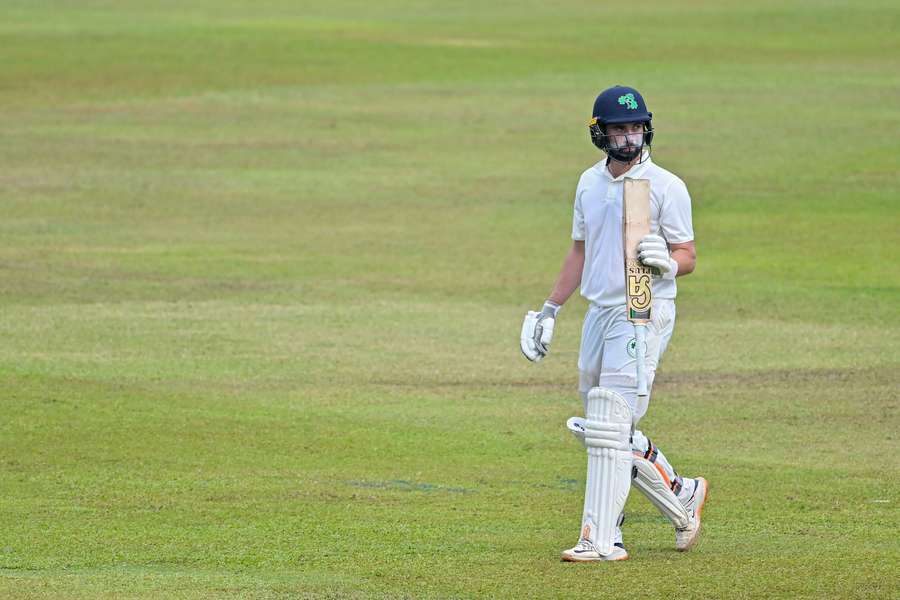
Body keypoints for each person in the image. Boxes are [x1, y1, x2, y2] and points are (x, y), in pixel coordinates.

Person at [520, 85, 708, 562]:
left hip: (642, 312)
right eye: (618, 129)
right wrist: (550, 308)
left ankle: (603, 539)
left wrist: (666, 261)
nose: (629, 137)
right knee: (602, 429)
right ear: (599, 133)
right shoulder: (589, 183)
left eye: (635, 127)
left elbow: (688, 256)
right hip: (600, 312)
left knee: (608, 422)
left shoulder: (666, 186)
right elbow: (580, 251)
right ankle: (681, 492)